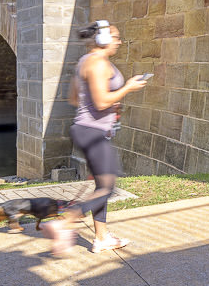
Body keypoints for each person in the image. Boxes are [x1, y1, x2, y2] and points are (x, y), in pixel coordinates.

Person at [50, 20, 149, 255]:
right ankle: (66, 221)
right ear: (103, 39)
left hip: (87, 129)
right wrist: (127, 88)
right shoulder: (97, 63)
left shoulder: (84, 62)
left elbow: (75, 99)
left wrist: (111, 106)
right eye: (115, 37)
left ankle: (102, 237)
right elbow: (101, 100)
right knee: (108, 188)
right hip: (93, 133)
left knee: (101, 186)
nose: (119, 41)